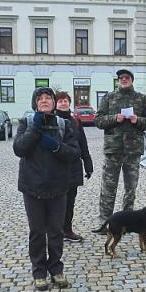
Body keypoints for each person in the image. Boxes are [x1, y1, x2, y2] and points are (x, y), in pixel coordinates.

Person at [13, 87, 80, 291]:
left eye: (47, 98)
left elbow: (74, 153)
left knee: (56, 231)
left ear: (53, 103)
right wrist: (35, 129)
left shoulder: (64, 125)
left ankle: (56, 269)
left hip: (58, 186)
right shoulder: (26, 123)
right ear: (35, 103)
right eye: (40, 98)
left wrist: (56, 146)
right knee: (36, 231)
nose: (44, 101)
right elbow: (19, 149)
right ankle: (39, 272)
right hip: (32, 186)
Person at [93, 69, 146, 229]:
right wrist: (114, 118)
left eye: (126, 77)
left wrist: (137, 120)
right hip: (113, 150)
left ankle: (128, 222)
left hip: (133, 151)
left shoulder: (142, 99)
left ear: (132, 80)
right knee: (108, 188)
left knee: (130, 189)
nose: (123, 80)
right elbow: (98, 120)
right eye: (121, 78)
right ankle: (104, 223)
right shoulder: (108, 98)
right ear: (118, 81)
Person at [55, 91, 94, 243]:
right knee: (57, 202)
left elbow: (83, 145)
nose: (63, 103)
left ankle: (67, 230)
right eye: (60, 101)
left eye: (65, 101)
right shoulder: (52, 120)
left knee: (70, 202)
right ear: (55, 104)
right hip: (56, 169)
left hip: (74, 168)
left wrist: (88, 165)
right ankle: (55, 231)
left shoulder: (75, 121)